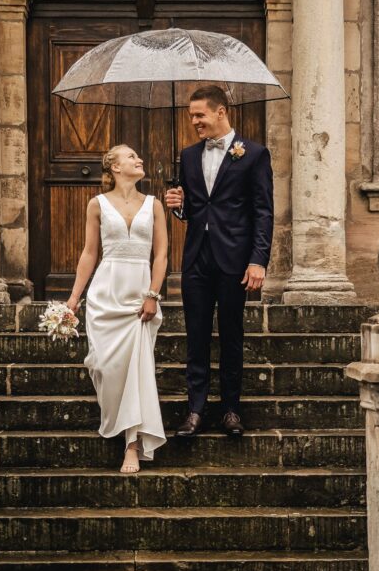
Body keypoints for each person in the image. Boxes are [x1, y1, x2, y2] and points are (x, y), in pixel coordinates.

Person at [165, 85, 273, 437]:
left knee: (231, 335)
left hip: (235, 260)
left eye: (200, 115)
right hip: (197, 258)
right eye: (192, 116)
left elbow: (263, 212)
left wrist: (258, 260)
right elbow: (193, 211)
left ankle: (230, 410)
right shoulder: (188, 154)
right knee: (195, 336)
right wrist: (178, 204)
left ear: (221, 112)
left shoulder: (254, 154)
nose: (194, 121)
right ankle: (195, 411)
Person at [67, 145, 168, 473]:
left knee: (137, 370)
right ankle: (118, 421)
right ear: (113, 166)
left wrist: (153, 294)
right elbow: (88, 253)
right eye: (130, 156)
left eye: (139, 156)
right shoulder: (96, 205)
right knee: (106, 367)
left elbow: (162, 255)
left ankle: (132, 444)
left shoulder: (153, 205)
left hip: (139, 296)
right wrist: (73, 298)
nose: (139, 159)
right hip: (106, 293)